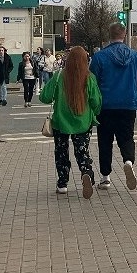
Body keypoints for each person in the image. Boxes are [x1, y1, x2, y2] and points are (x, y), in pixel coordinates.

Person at [90, 23, 137, 191]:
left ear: (109, 35)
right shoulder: (135, 56)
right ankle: (128, 161)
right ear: (124, 35)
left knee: (105, 141)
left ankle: (105, 177)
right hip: (128, 105)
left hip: (106, 106)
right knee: (127, 137)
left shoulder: (99, 57)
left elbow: (92, 82)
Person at [39, 47, 102, 198]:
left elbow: (44, 97)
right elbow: (96, 102)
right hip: (83, 122)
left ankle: (62, 184)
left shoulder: (59, 76)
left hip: (60, 122)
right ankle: (86, 172)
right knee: (82, 152)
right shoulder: (89, 77)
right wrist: (94, 112)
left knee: (61, 153)